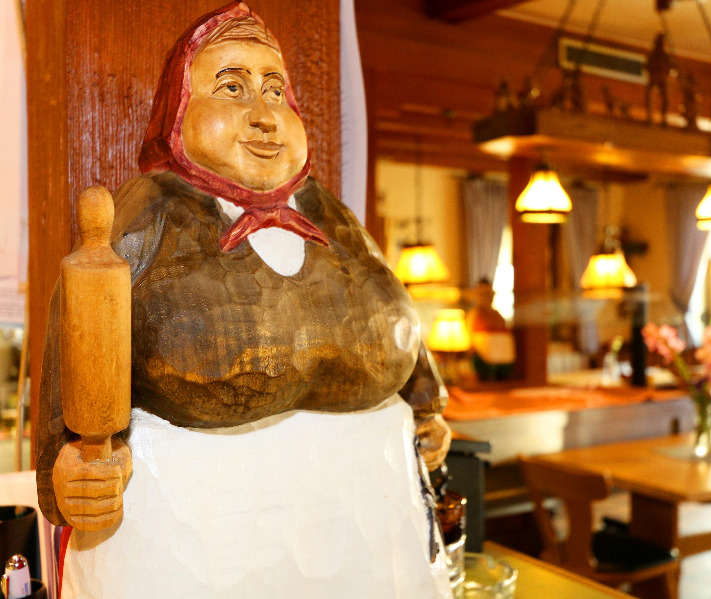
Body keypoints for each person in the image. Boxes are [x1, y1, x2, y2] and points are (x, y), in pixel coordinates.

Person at [36, 3, 451, 597]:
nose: (263, 116)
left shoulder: (331, 214)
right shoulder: (148, 208)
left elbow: (393, 301)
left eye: (276, 91)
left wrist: (427, 406)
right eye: (231, 88)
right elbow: (77, 327)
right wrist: (67, 463)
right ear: (177, 112)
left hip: (376, 545)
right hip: (197, 556)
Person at [465, 279, 515, 381]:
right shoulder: (473, 316)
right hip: (483, 361)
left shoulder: (498, 316)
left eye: (488, 294)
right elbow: (468, 340)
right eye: (482, 294)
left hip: (502, 362)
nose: (486, 297)